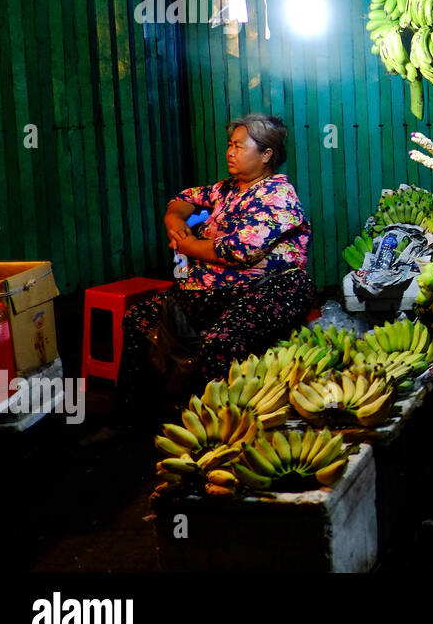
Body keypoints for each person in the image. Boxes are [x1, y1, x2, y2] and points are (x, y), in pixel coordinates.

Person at [105, 114, 314, 434]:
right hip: (210, 291)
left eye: (240, 146)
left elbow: (238, 251)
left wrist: (188, 244)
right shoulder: (226, 189)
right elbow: (182, 201)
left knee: (221, 342)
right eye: (229, 145)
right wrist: (175, 224)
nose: (230, 152)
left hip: (271, 289)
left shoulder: (277, 195)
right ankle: (132, 420)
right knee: (138, 319)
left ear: (266, 154)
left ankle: (216, 432)